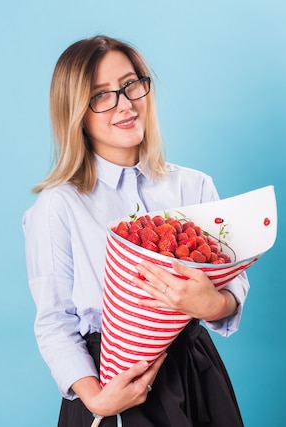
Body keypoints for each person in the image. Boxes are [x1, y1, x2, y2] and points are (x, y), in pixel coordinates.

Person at [23, 35, 248, 427]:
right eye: (101, 95)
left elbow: (233, 282)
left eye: (130, 85)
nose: (125, 104)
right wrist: (97, 399)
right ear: (76, 112)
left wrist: (213, 305)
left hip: (195, 371)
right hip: (109, 378)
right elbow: (54, 320)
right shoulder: (58, 206)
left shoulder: (194, 187)